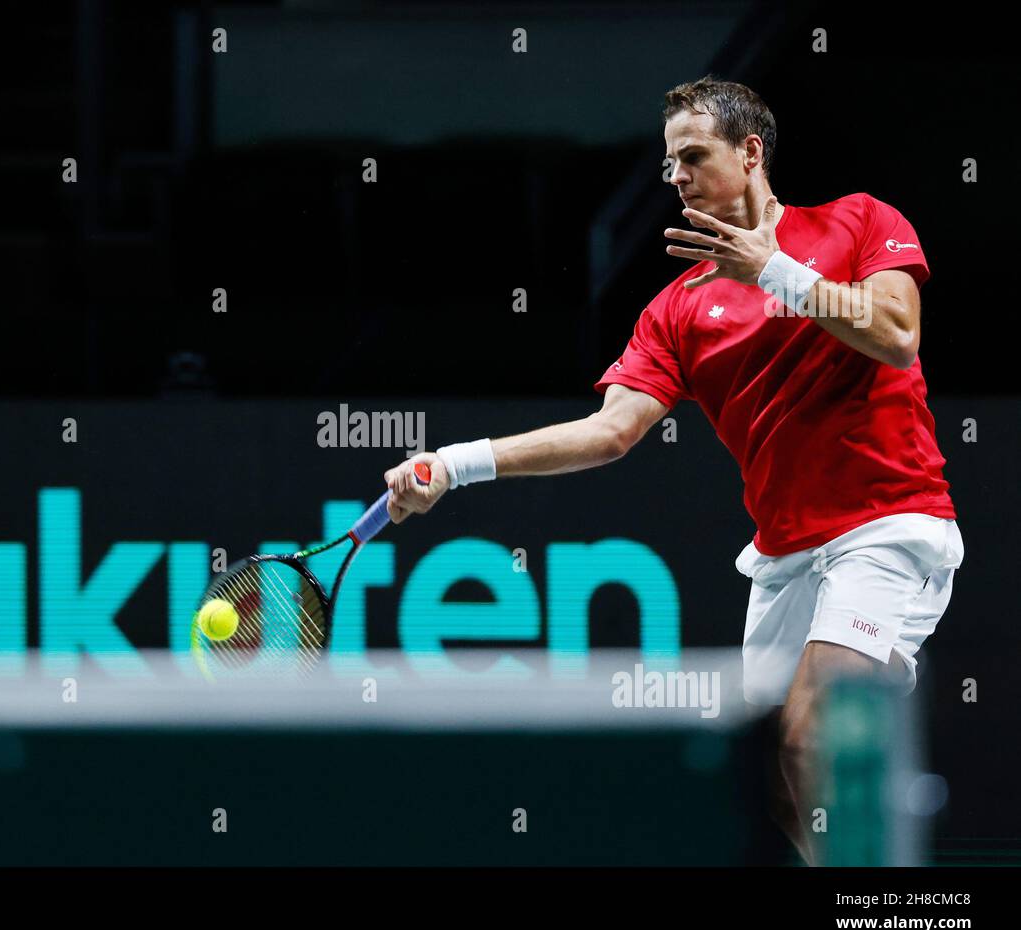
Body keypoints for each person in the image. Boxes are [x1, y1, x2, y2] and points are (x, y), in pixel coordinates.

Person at [380, 76, 963, 865]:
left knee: (808, 735)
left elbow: (897, 334)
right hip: (787, 557)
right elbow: (611, 431)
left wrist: (777, 274)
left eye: (693, 156)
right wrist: (453, 463)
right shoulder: (677, 308)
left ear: (751, 152)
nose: (677, 177)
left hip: (888, 526)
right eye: (669, 164)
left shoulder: (859, 220)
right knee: (770, 775)